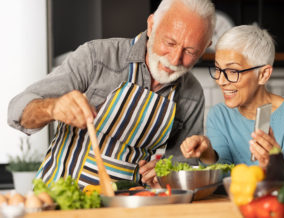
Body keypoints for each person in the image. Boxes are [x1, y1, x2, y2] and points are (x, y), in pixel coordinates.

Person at [7, 0, 215, 189]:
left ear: (205, 47)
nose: (176, 59)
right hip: (58, 198)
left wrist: (163, 173)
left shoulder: (192, 94)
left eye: (190, 51)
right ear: (151, 26)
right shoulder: (97, 57)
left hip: (126, 205)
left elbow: (183, 168)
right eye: (169, 43)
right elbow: (17, 111)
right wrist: (52, 108)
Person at [179, 25, 284, 214]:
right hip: (259, 212)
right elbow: (224, 183)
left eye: (233, 71)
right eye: (217, 69)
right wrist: (208, 155)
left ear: (263, 74)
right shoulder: (219, 115)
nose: (221, 81)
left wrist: (275, 163)